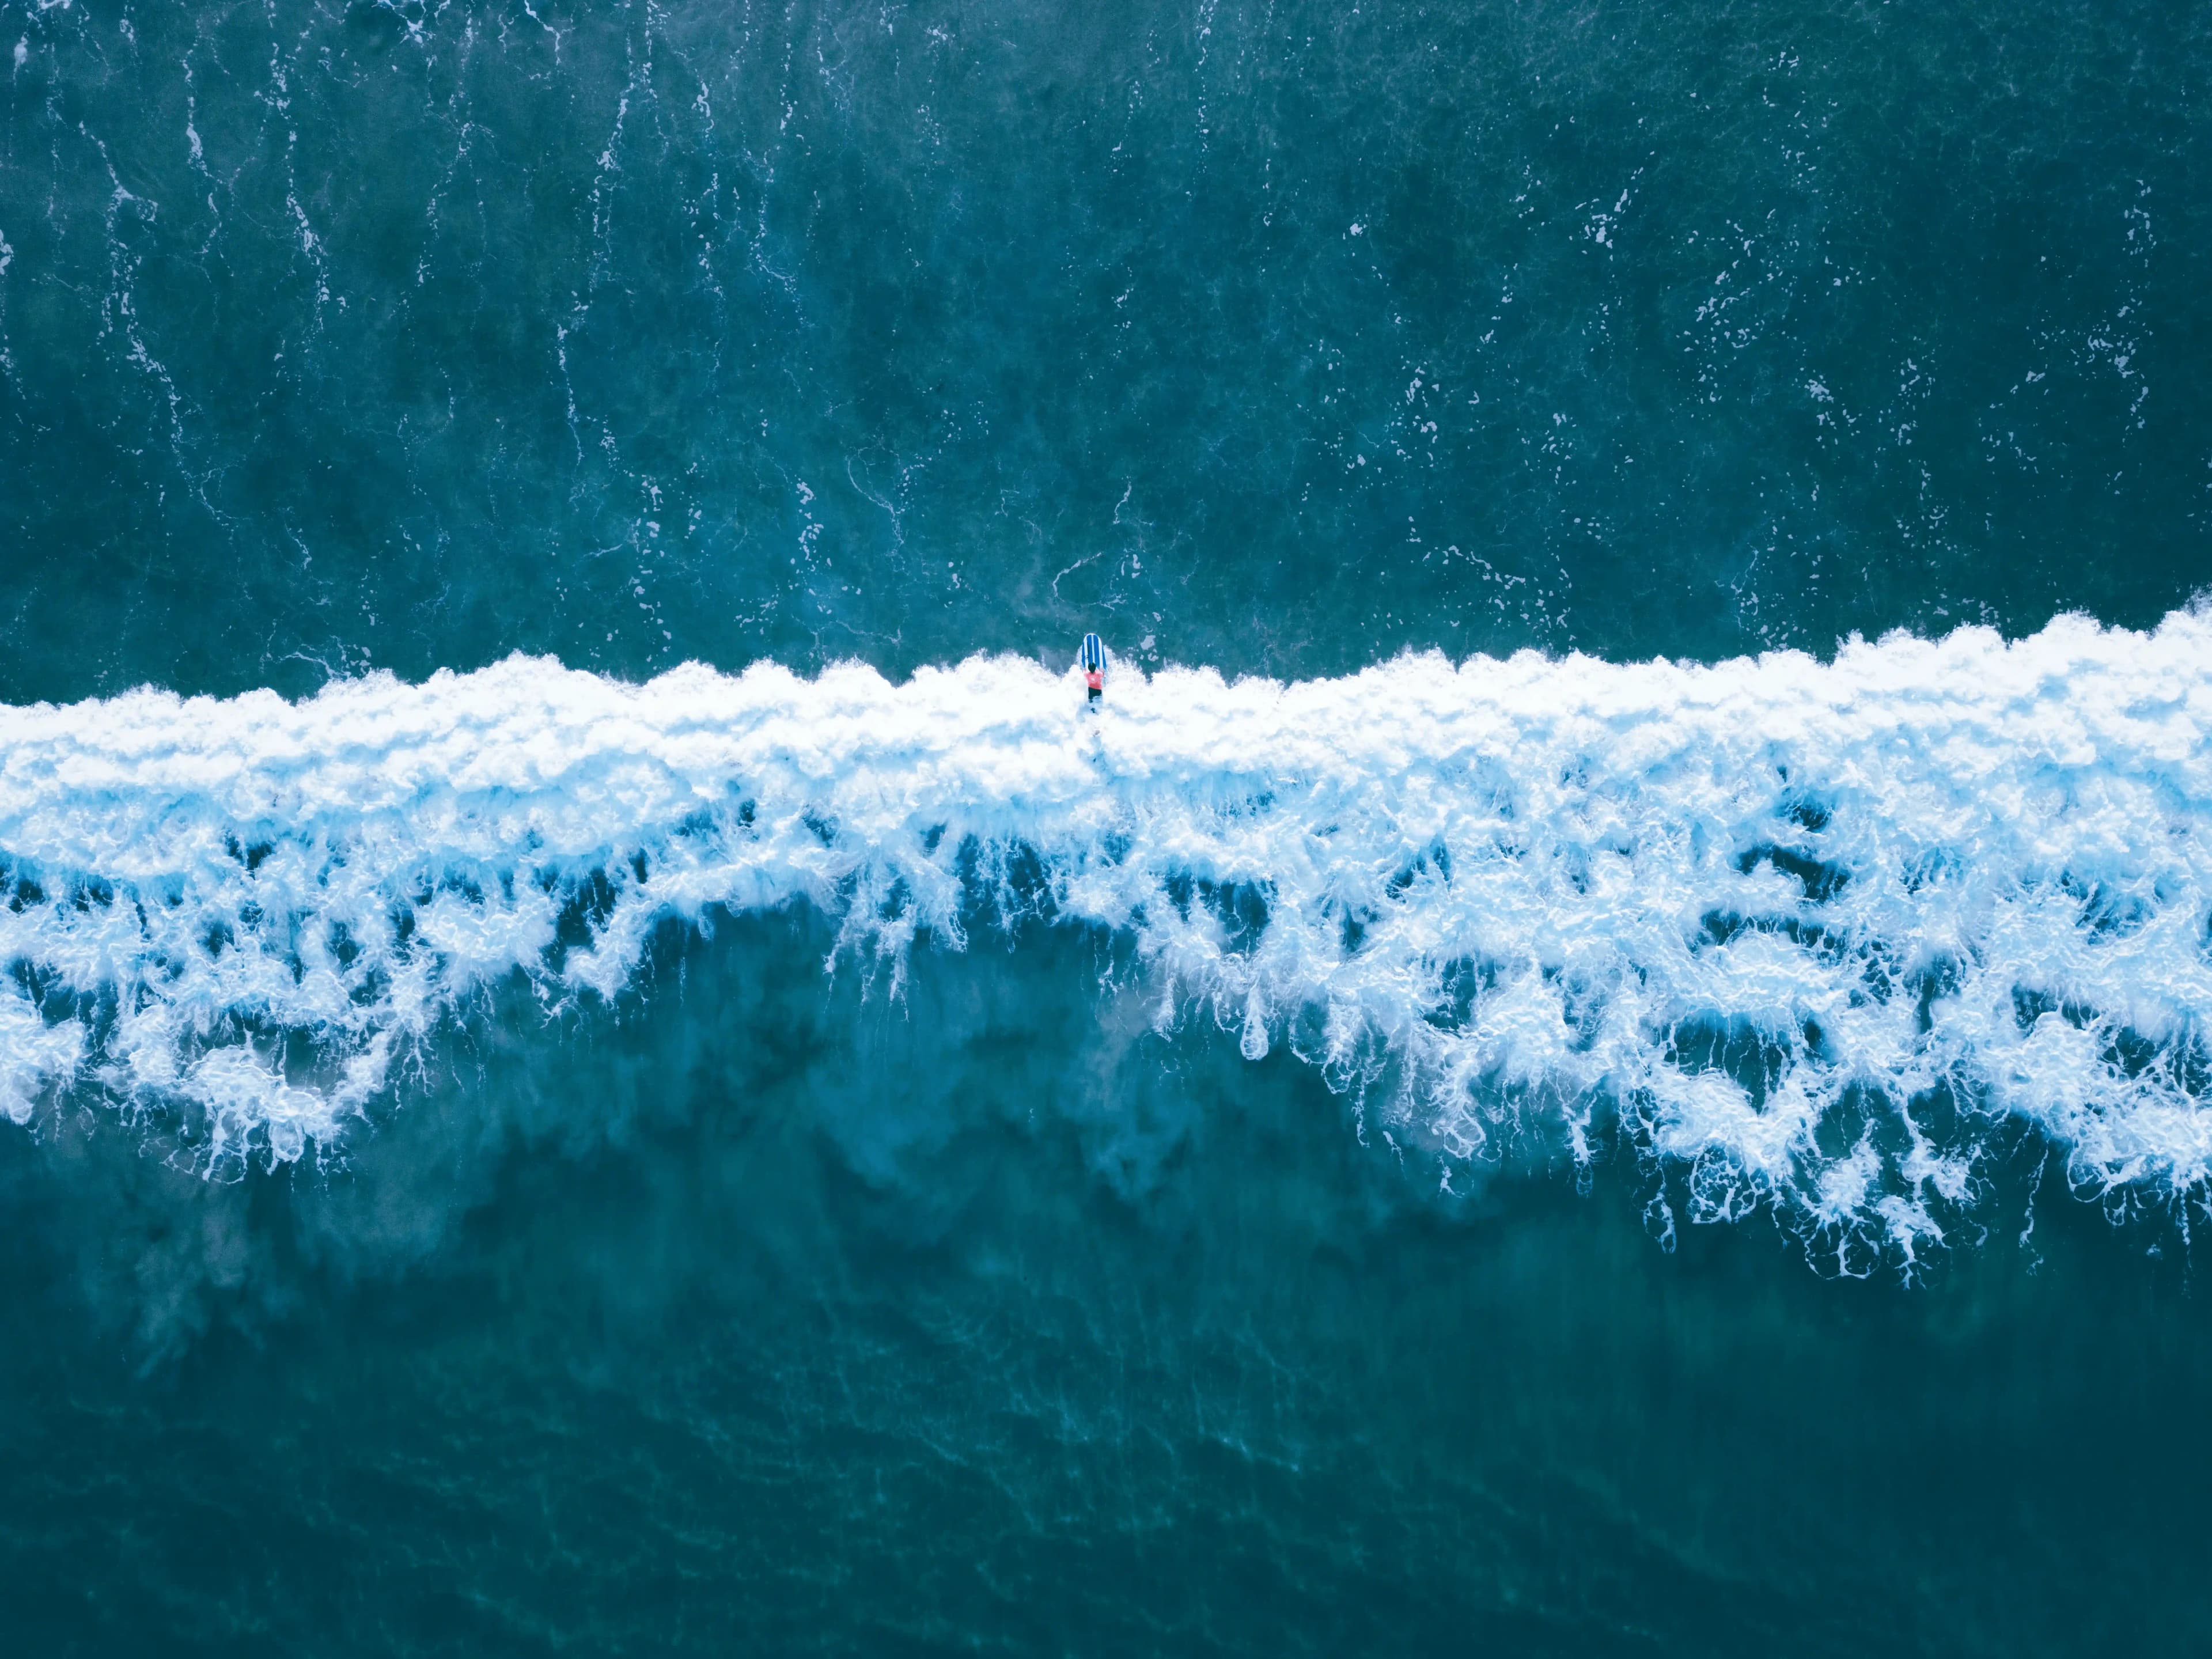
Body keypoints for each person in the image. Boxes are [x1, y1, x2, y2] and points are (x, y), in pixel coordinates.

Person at [1080, 632, 1105, 709]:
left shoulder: (1087, 674)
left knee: (1091, 701)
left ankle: (1092, 710)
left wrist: (1085, 669)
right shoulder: (1099, 674)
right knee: (1100, 701)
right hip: (1098, 690)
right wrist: (1101, 670)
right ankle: (1100, 711)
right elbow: (1103, 674)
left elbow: (1084, 671)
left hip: (1091, 689)